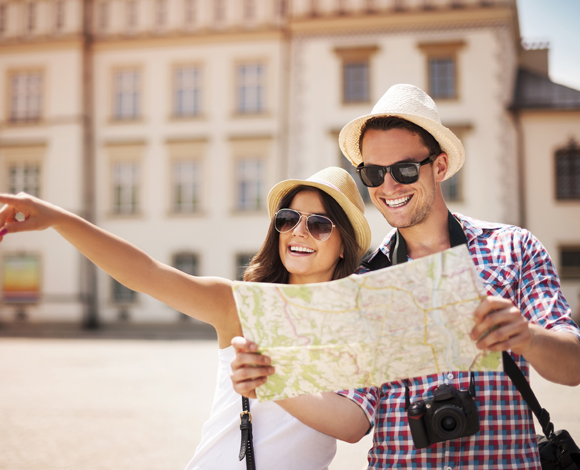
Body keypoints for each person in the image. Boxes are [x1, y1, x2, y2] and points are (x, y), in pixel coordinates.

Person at [230, 84, 580, 468]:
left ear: (440, 166)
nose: (389, 186)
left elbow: (573, 366)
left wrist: (526, 337)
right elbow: (352, 421)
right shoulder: (363, 282)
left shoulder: (513, 248)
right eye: (374, 173)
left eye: (405, 169)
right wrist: (271, 380)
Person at [0, 166, 372, 470]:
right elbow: (145, 273)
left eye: (319, 224)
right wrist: (57, 219)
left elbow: (353, 425)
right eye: (288, 219)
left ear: (344, 244)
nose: (298, 232)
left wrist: (271, 379)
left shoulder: (355, 323)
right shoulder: (241, 304)